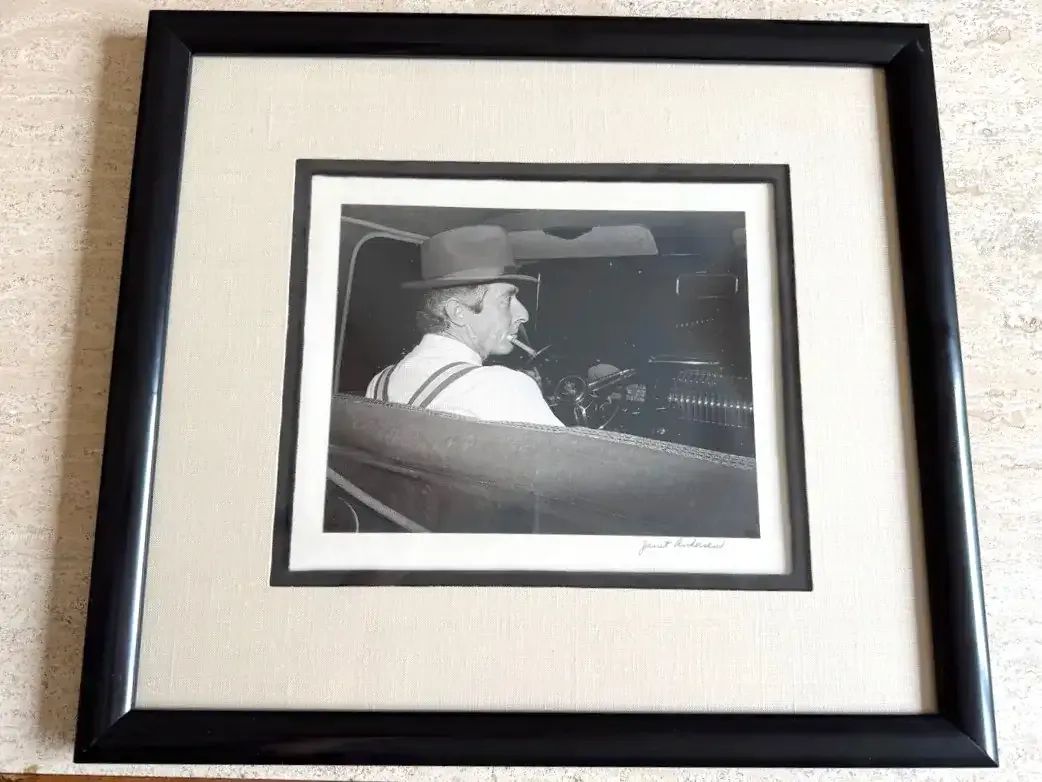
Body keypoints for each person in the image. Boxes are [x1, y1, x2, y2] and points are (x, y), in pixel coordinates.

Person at [365, 225, 565, 427]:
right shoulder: (505, 388)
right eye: (507, 299)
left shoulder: (380, 381)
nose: (523, 315)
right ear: (458, 312)